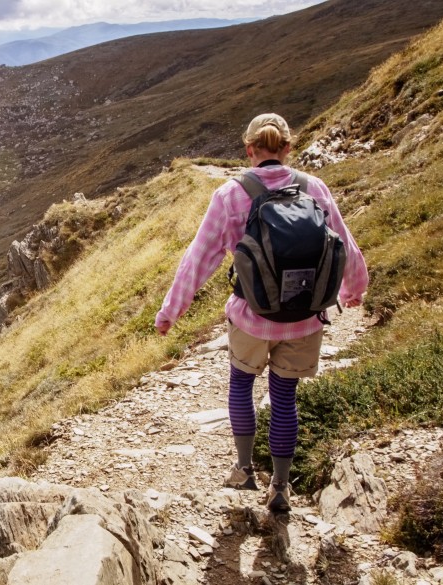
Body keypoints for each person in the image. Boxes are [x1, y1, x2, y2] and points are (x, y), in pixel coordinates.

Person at [153, 113, 368, 513]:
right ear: (288, 148)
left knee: (241, 385)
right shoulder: (314, 187)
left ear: (249, 150)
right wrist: (354, 289)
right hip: (305, 318)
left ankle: (244, 470)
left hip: (252, 317)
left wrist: (170, 312)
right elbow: (344, 245)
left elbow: (198, 259)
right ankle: (281, 487)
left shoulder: (230, 195)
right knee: (285, 397)